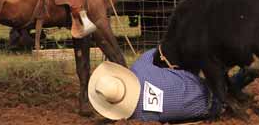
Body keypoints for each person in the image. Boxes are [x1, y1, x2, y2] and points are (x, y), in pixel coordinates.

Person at [88, 48, 223, 122]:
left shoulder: (140, 117)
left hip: (207, 109)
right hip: (207, 84)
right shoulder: (140, 67)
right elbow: (160, 49)